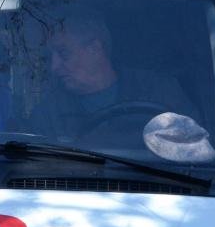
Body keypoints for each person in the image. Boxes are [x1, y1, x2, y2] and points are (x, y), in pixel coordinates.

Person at [33, 14, 201, 149]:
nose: (54, 67)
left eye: (63, 54)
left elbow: (195, 148)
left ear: (95, 49)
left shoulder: (158, 90)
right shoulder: (49, 111)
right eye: (50, 58)